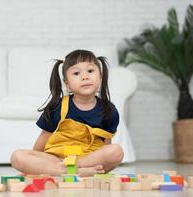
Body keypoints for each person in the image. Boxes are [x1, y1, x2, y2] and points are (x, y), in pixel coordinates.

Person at [11, 49, 124, 177]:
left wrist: (99, 160)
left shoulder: (109, 110)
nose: (85, 76)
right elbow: (43, 139)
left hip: (88, 160)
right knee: (17, 156)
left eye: (90, 71)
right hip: (57, 159)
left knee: (116, 151)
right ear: (67, 84)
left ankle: (76, 169)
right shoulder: (57, 106)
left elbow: (106, 145)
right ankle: (65, 171)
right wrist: (33, 163)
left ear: (101, 77)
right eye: (76, 73)